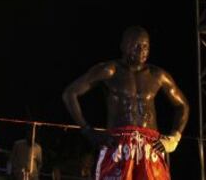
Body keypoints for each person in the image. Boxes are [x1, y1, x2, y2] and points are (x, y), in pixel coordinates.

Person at [63, 26, 189, 180]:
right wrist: (88, 131)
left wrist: (173, 138)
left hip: (151, 145)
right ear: (123, 46)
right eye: (136, 45)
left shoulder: (157, 75)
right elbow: (70, 93)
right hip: (118, 143)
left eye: (145, 46)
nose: (141, 50)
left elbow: (182, 106)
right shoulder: (110, 70)